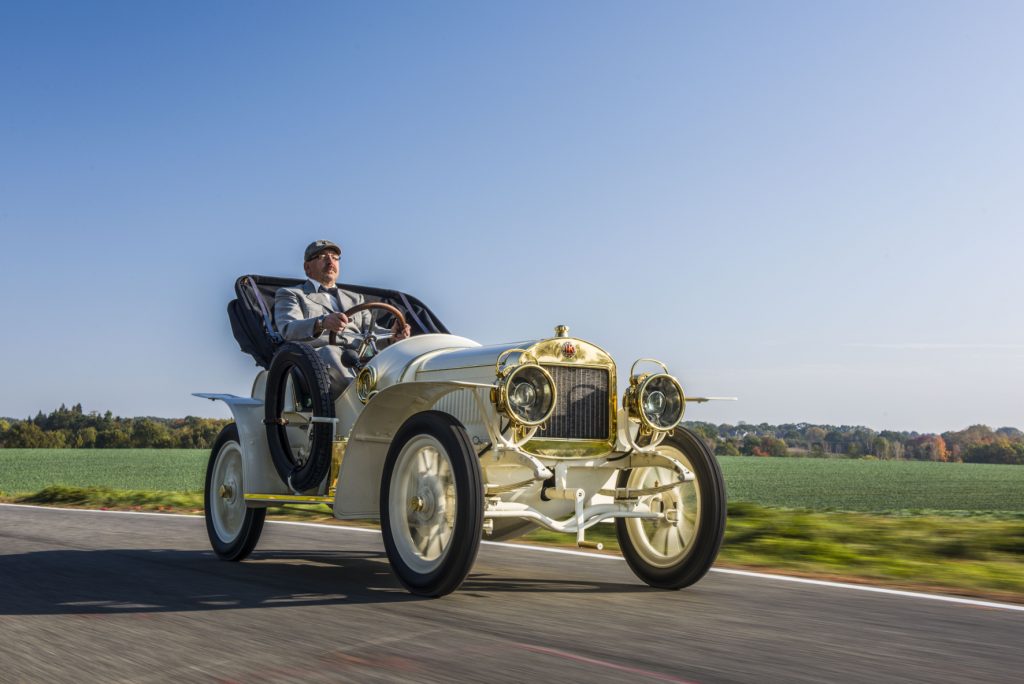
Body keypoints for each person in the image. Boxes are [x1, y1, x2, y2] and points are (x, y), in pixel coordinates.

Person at [274, 239, 411, 392]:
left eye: (334, 257)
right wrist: (322, 322)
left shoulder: (356, 298)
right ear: (307, 268)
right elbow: (288, 329)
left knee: (404, 357)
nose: (330, 261)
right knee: (331, 352)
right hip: (318, 359)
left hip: (361, 357)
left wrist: (392, 336)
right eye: (322, 257)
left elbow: (370, 333)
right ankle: (360, 398)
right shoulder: (291, 294)